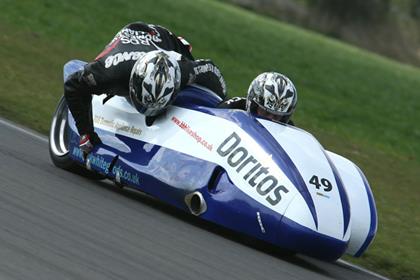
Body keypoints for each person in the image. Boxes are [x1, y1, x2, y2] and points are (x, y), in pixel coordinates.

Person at [64, 21, 227, 154]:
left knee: (198, 83)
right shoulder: (110, 72)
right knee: (90, 76)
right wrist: (86, 132)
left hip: (165, 41)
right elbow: (73, 85)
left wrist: (221, 102)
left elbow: (212, 70)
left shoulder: (186, 70)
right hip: (131, 39)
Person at [218, 72, 297, 125]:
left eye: (276, 117)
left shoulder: (289, 130)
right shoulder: (229, 109)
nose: (269, 120)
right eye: (265, 113)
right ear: (252, 105)